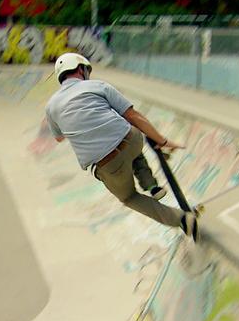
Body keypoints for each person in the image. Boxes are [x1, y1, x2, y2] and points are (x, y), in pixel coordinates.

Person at [45, 53, 199, 241]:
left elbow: (59, 138)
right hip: (131, 141)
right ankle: (150, 183)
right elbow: (134, 116)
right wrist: (162, 140)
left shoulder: (51, 106)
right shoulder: (98, 85)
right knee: (130, 138)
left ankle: (182, 220)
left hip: (108, 165)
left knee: (129, 198)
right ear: (81, 69)